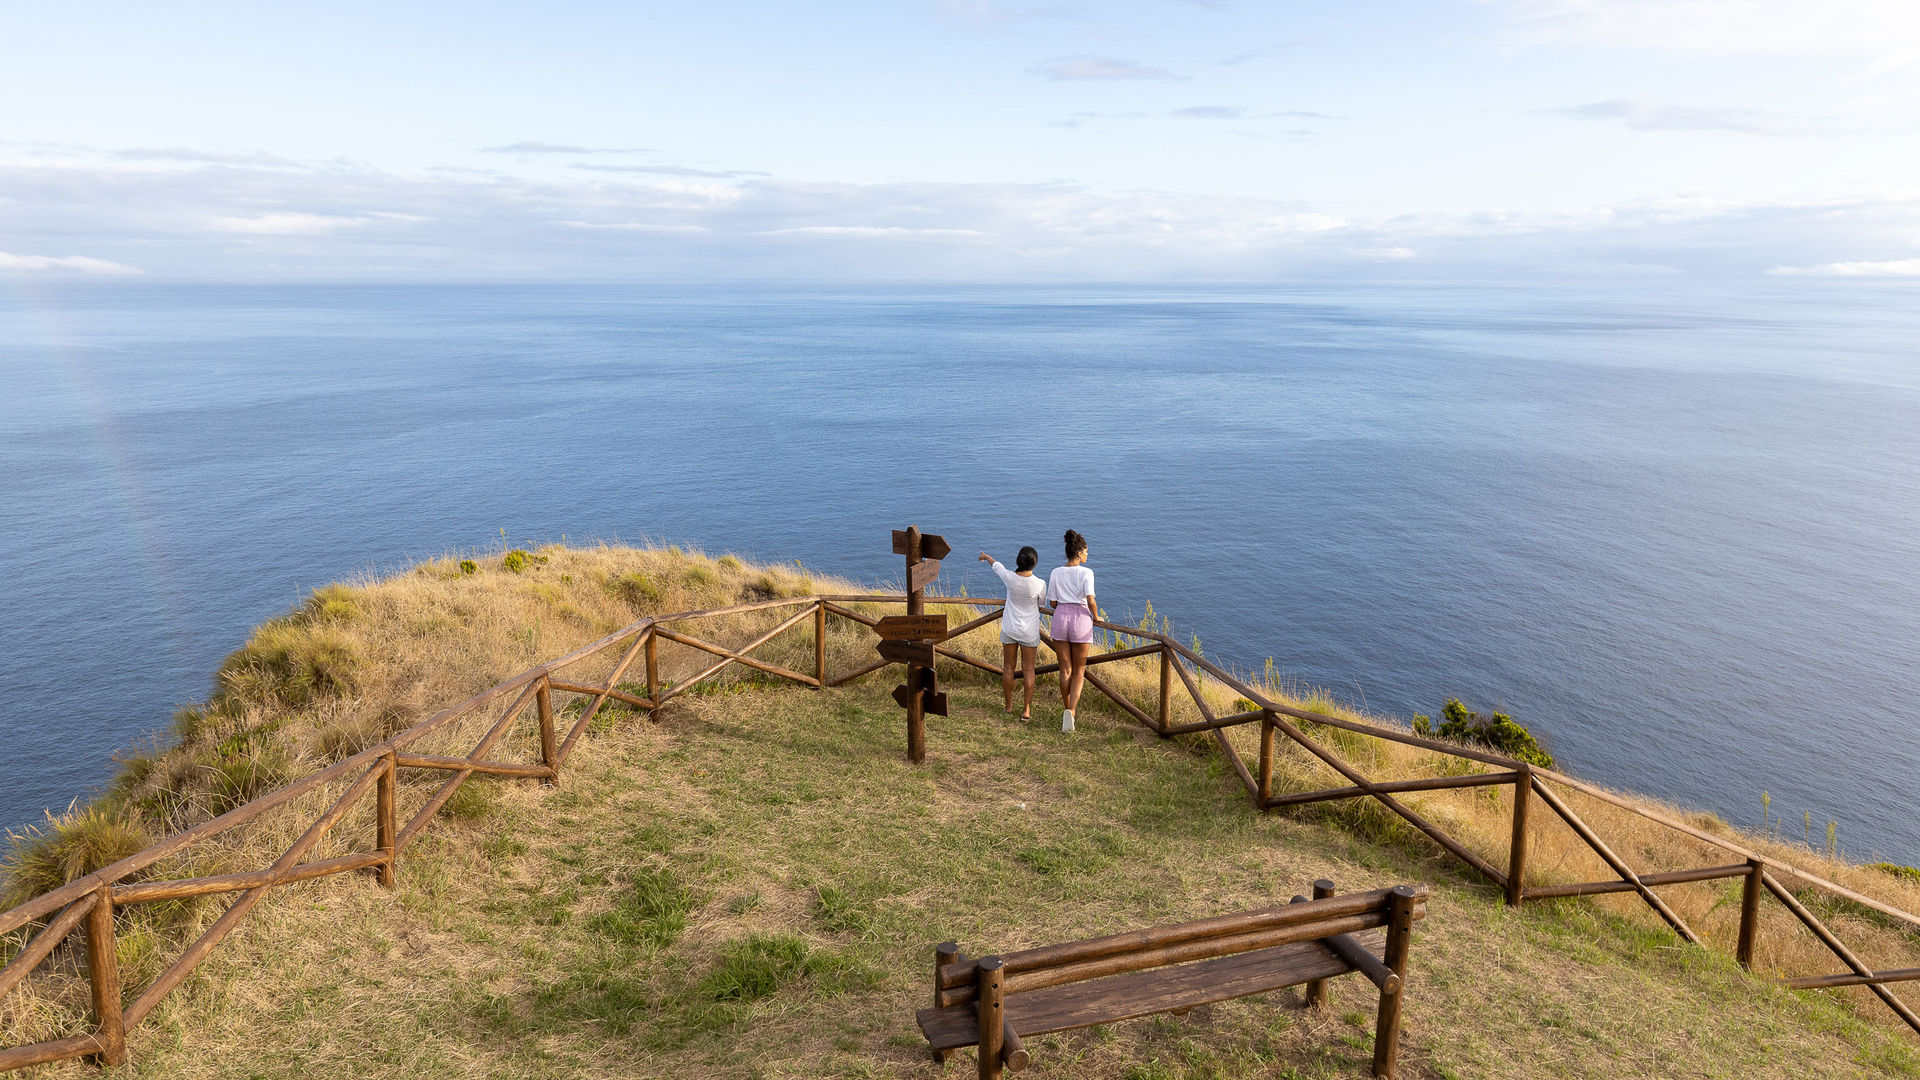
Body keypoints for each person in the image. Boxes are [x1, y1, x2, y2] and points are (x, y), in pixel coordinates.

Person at [979, 546, 1047, 720]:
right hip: (1029, 631)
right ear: (1034, 563)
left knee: (1008, 667)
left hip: (1010, 627)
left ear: (1019, 561)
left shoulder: (1010, 578)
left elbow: (998, 567)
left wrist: (987, 557)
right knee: (1029, 669)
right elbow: (1042, 604)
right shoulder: (1039, 584)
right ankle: (1026, 710)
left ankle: (1008, 706)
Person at [1045, 529, 1097, 733]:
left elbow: (1052, 602)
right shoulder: (1087, 573)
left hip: (1061, 617)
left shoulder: (1056, 572)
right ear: (1079, 552)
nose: (1087, 554)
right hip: (1081, 619)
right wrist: (1097, 616)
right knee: (1079, 670)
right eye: (1086, 551)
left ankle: (1066, 708)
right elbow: (1090, 599)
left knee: (1065, 669)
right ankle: (1072, 712)